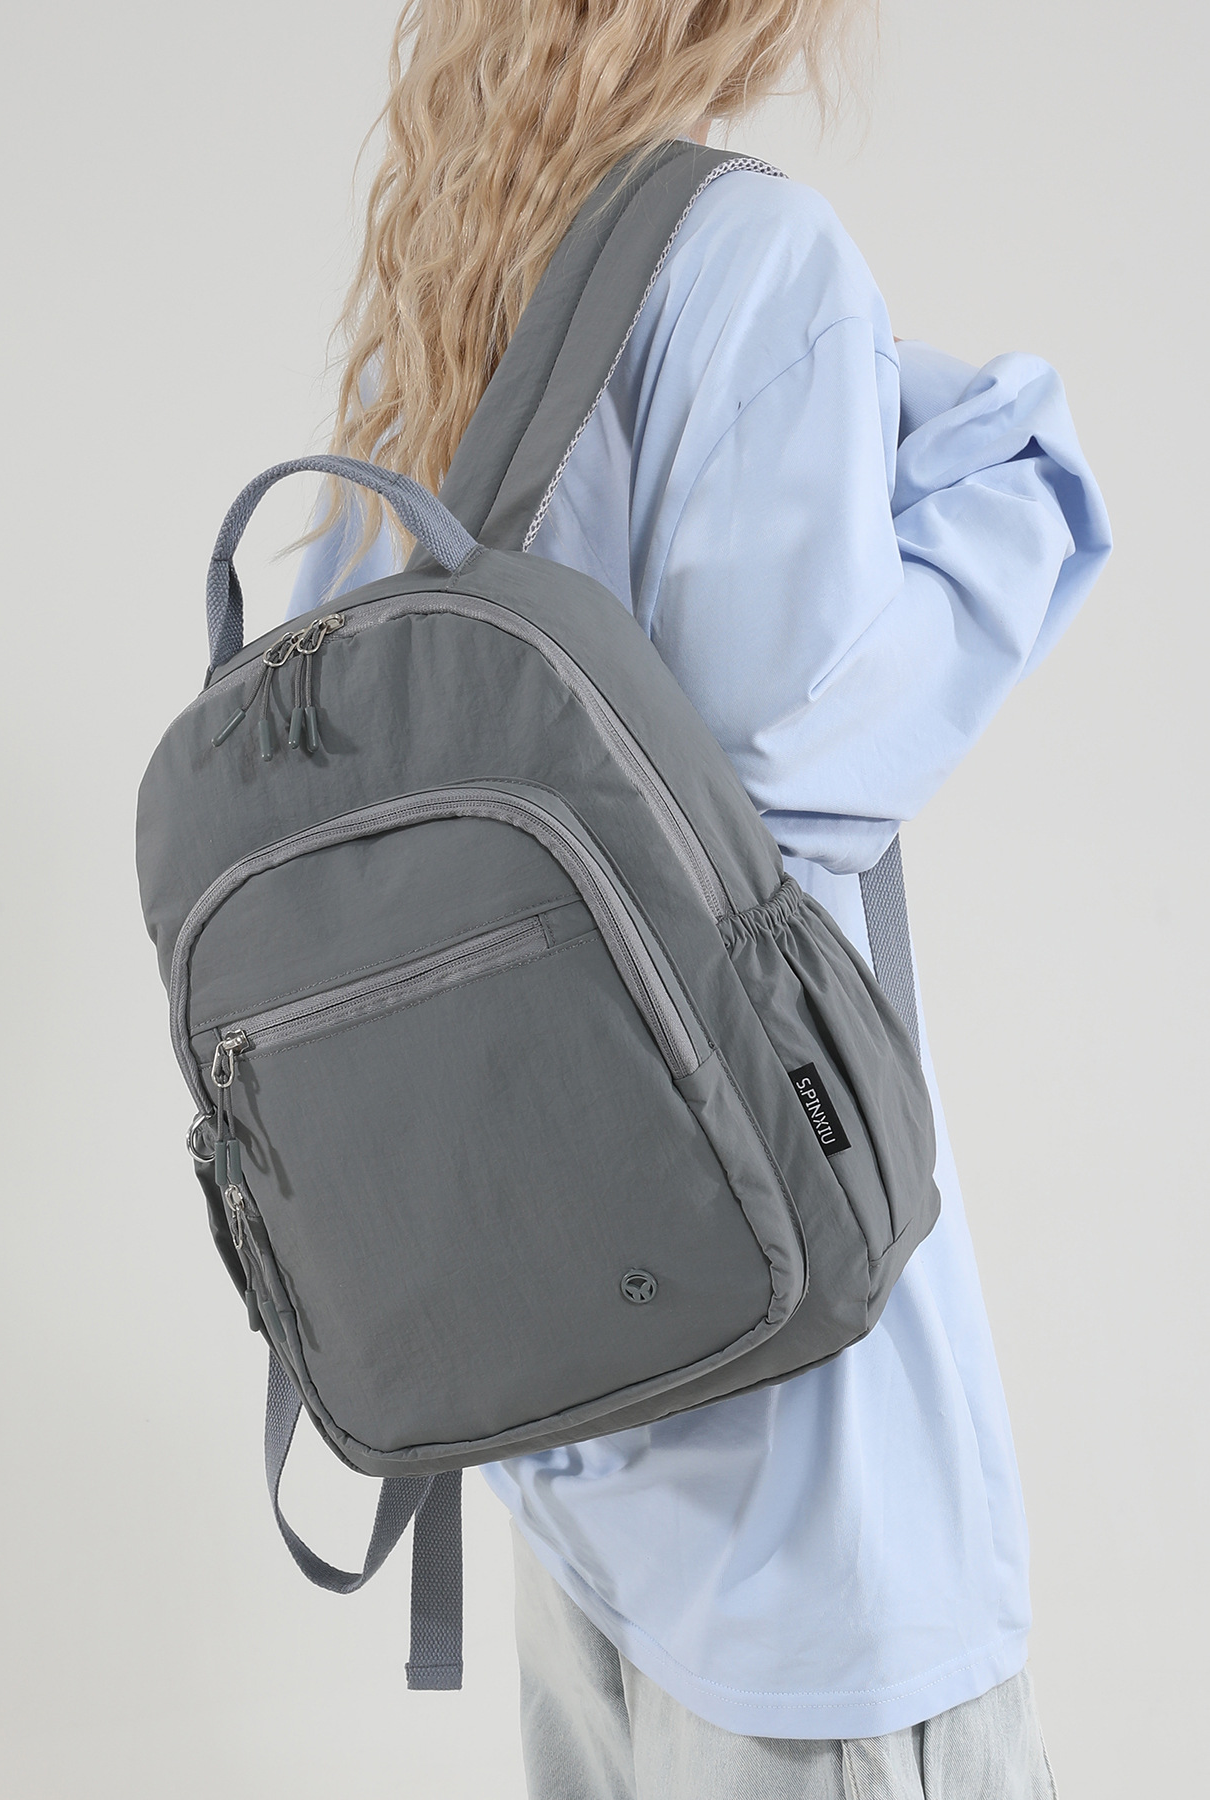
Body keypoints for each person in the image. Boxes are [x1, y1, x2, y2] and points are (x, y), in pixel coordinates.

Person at [290, 2, 1112, 1793]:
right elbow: (779, 789)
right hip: (797, 1478)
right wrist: (1013, 493)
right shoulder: (748, 257)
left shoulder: (447, 298)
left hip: (566, 1426)